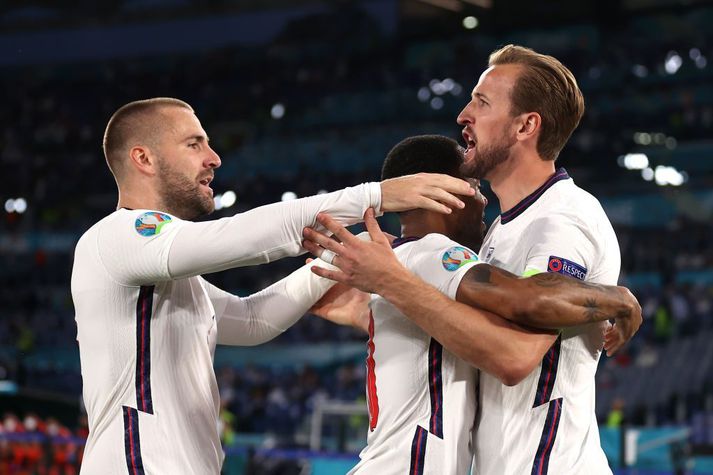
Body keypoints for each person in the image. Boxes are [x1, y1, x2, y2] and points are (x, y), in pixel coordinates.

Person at [70, 97, 475, 474]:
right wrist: (374, 196)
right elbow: (237, 237)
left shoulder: (160, 275)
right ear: (144, 158)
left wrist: (340, 254)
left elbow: (250, 321)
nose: (214, 158)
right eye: (194, 144)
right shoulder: (118, 237)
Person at [302, 45, 642, 474]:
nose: (464, 114)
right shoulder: (501, 229)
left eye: (481, 102)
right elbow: (468, 328)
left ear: (526, 126)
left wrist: (393, 282)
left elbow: (513, 357)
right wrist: (378, 303)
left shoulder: (561, 219)